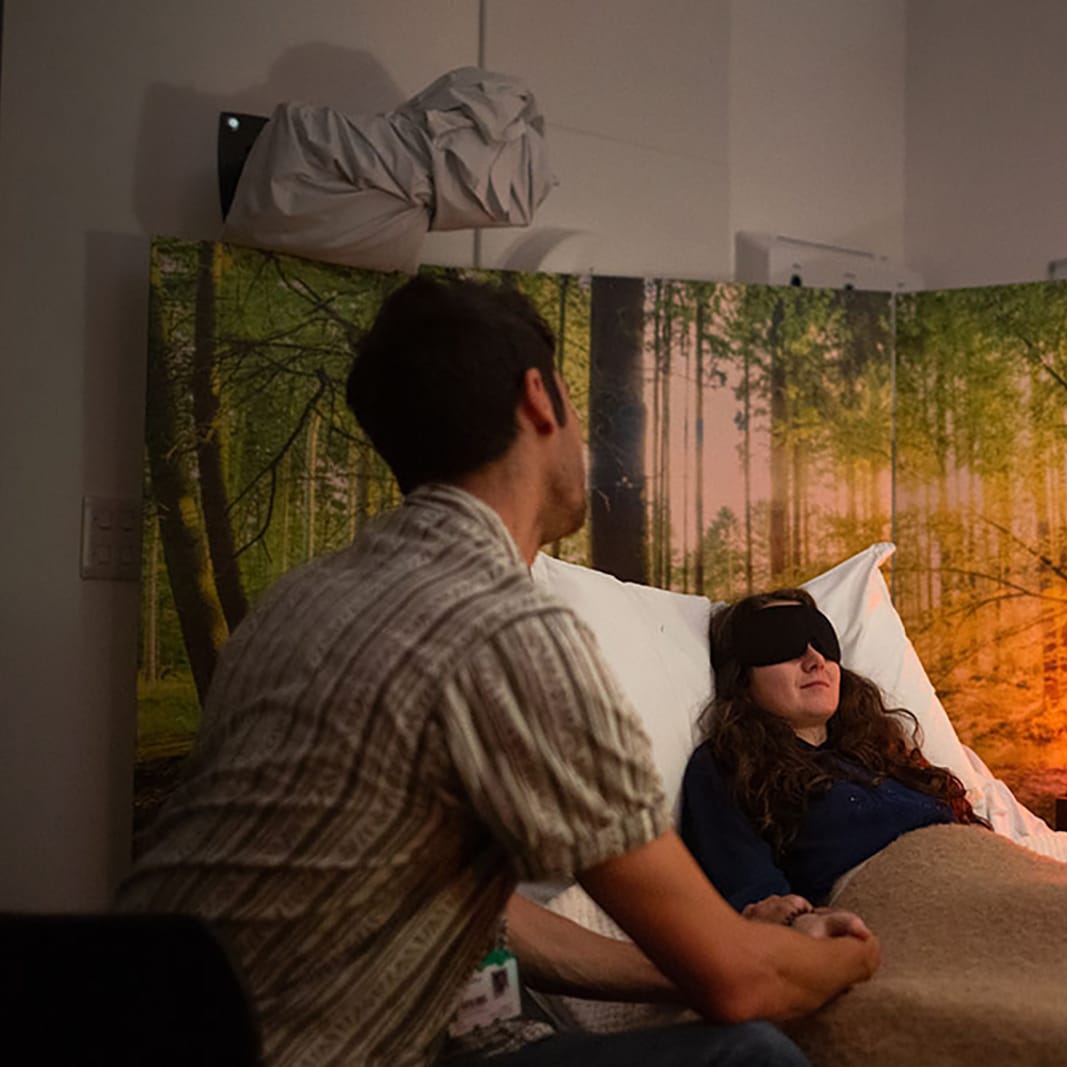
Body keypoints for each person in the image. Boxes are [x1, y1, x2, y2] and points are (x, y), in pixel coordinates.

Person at [116, 276, 878, 1067]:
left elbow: (486, 914)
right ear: (539, 400)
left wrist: (688, 967)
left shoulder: (291, 606)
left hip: (121, 1030)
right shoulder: (507, 630)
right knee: (752, 1055)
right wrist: (855, 957)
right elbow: (739, 983)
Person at [679, 591, 987, 917]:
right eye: (781, 641)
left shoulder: (883, 752)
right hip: (913, 915)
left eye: (822, 641)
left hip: (988, 878)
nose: (815, 659)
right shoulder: (728, 765)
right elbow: (757, 897)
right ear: (741, 675)